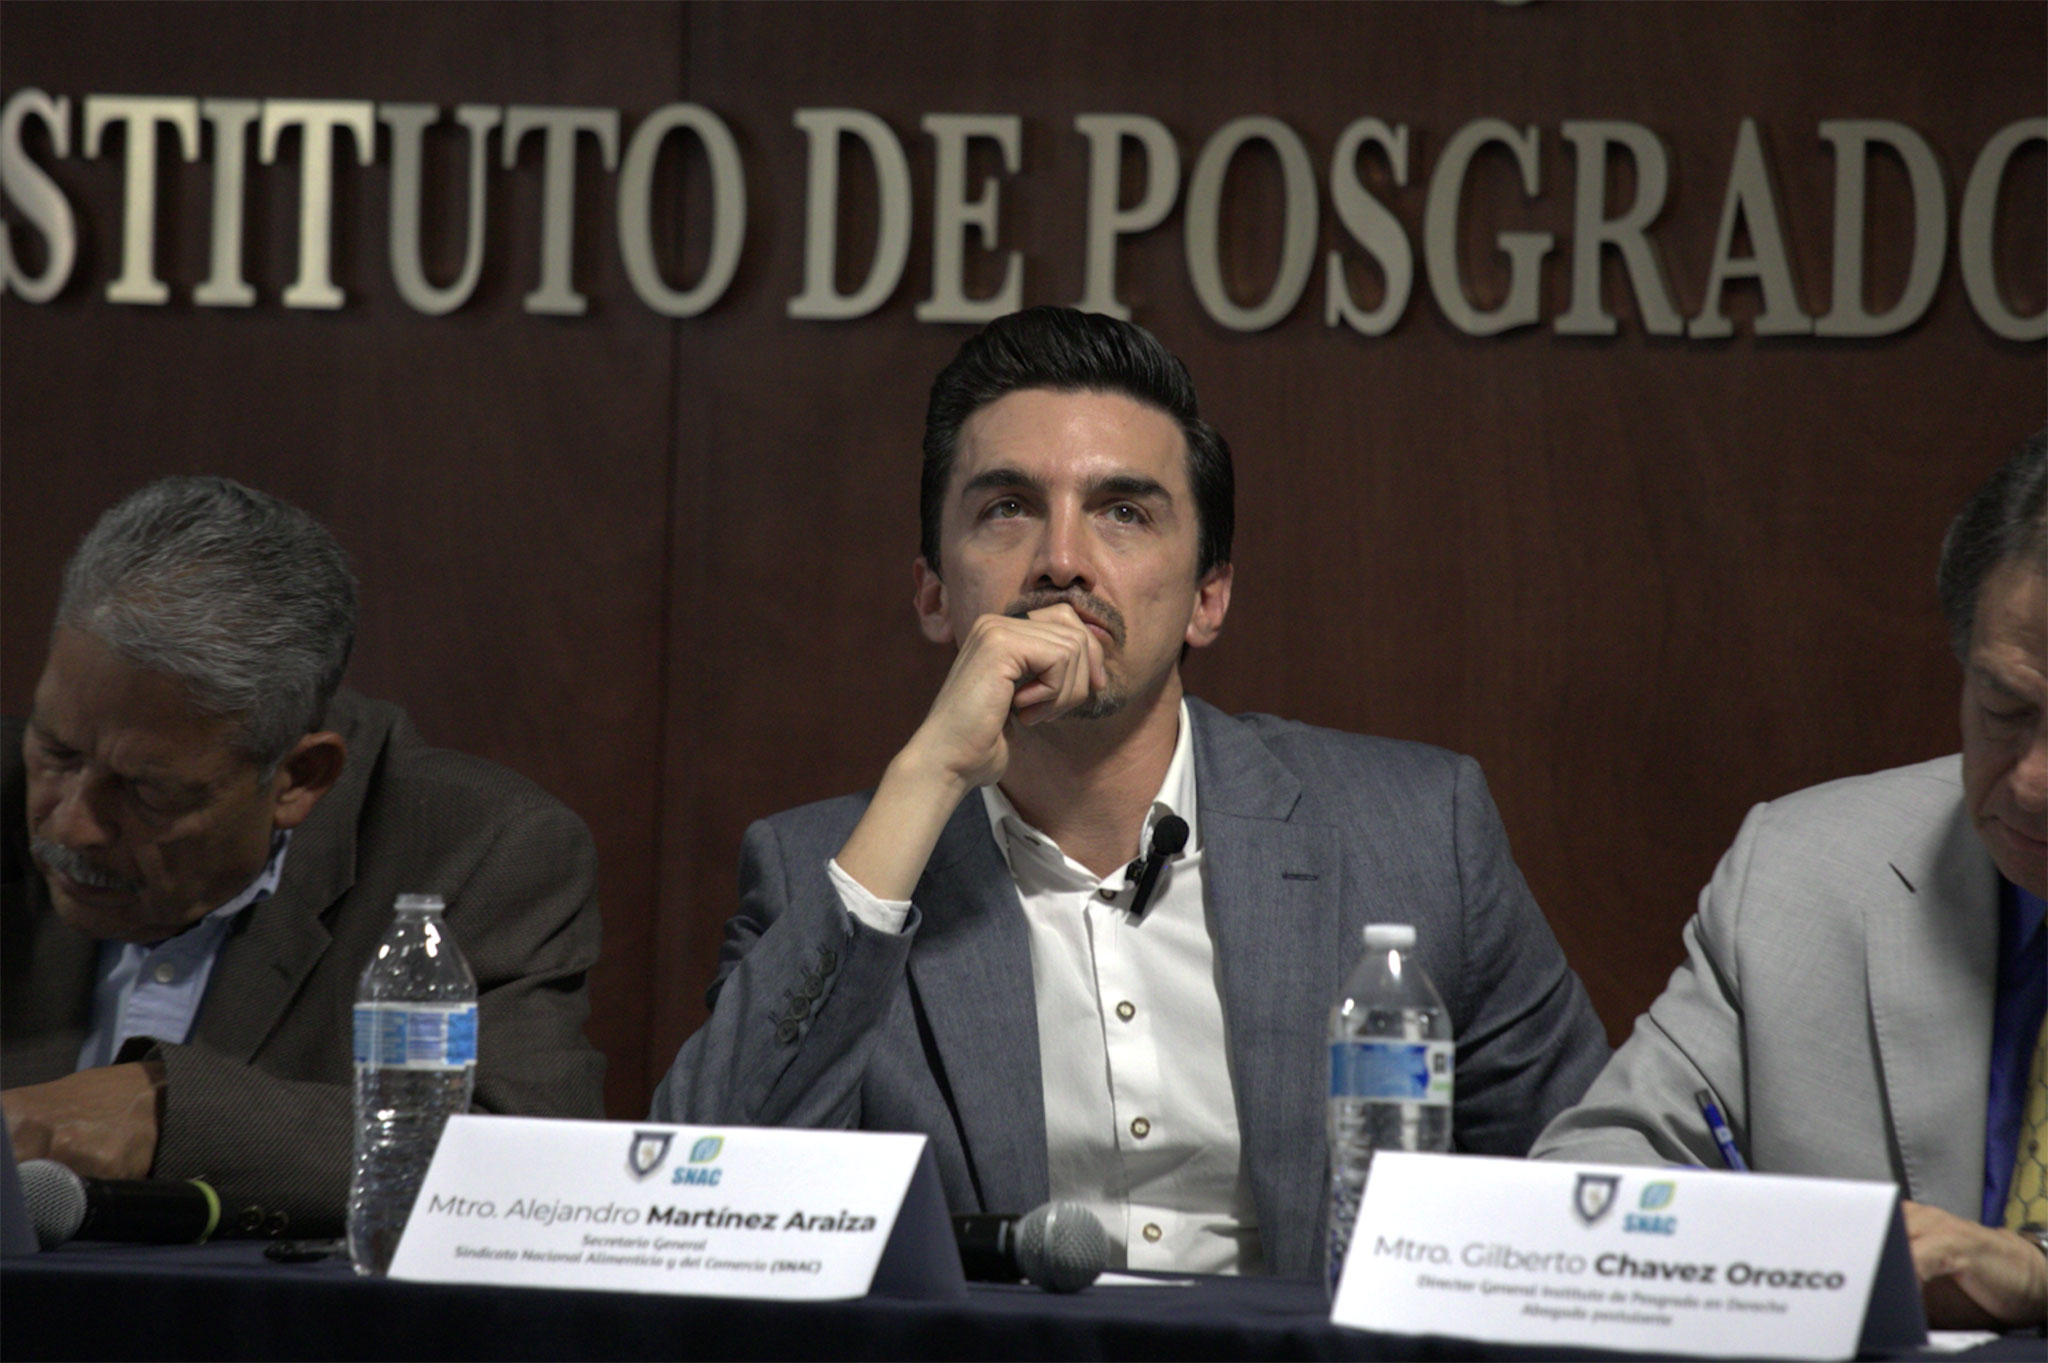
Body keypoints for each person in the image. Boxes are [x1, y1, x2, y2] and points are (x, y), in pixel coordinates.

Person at [652, 306, 1609, 1279]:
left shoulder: (1417, 834)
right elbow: (704, 1211)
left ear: (1207, 597)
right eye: (1007, 507)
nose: (1061, 560)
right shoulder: (830, 875)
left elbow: (1583, 1196)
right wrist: (928, 773)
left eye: (1123, 511)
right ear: (934, 593)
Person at [1531, 432, 2048, 1330]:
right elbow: (1590, 1178)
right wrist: (1785, 1250)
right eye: (2005, 710)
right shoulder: (1802, 872)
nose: (2033, 780)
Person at [3, 477, 607, 1239]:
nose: (72, 824)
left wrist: (163, 1109)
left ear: (298, 777)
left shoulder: (474, 852)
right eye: (56, 751)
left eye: (146, 791)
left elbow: (524, 1157)